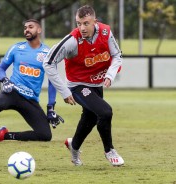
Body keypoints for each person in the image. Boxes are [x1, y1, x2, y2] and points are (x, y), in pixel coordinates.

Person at [43, 5, 124, 166]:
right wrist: (65, 91)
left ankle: (74, 146)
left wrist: (110, 75)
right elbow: (48, 62)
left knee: (91, 117)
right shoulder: (71, 41)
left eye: (86, 23)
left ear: (95, 21)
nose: (82, 28)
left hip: (96, 83)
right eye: (78, 23)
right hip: (78, 85)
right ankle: (109, 151)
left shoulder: (106, 32)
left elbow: (117, 55)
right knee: (105, 112)